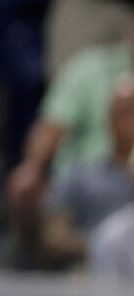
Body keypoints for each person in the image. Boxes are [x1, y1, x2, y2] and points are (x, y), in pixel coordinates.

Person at [37, 75, 134, 268]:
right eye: (127, 112)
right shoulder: (82, 176)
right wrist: (107, 246)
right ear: (110, 120)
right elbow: (53, 236)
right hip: (94, 274)